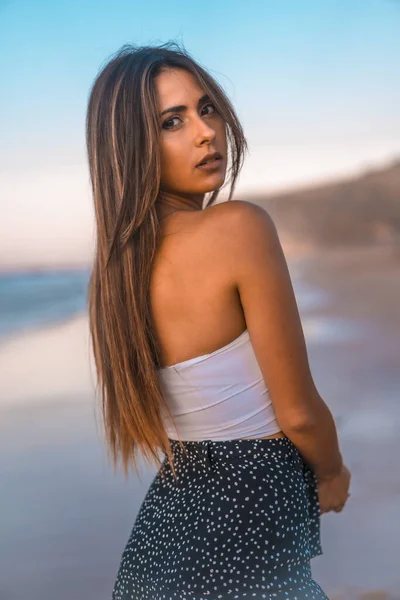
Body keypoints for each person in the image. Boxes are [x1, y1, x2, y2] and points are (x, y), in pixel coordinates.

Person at [86, 41, 351, 600]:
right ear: (130, 146)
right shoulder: (238, 228)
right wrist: (331, 472)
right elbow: (298, 413)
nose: (206, 132)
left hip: (163, 535)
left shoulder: (113, 277)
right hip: (246, 524)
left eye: (207, 108)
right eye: (171, 122)